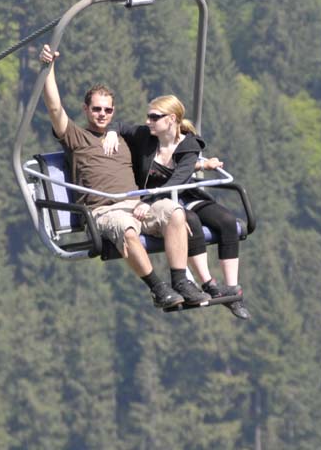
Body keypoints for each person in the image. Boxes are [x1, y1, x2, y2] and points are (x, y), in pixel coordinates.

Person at [38, 44, 210, 310]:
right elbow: (54, 108)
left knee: (175, 211)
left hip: (138, 204)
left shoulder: (123, 138)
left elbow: (165, 150)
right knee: (127, 230)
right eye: (96, 109)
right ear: (86, 109)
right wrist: (47, 69)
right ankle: (158, 287)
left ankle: (180, 281)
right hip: (103, 210)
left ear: (113, 112)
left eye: (107, 110)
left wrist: (198, 164)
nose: (102, 115)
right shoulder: (75, 137)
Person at [104, 95, 251, 320]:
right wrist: (112, 132)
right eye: (148, 116)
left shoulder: (189, 145)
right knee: (188, 220)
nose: (148, 121)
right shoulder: (146, 136)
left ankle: (232, 289)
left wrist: (149, 201)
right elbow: (121, 125)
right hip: (160, 204)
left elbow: (179, 180)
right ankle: (208, 283)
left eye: (154, 117)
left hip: (182, 194)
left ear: (171, 119)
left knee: (228, 222)